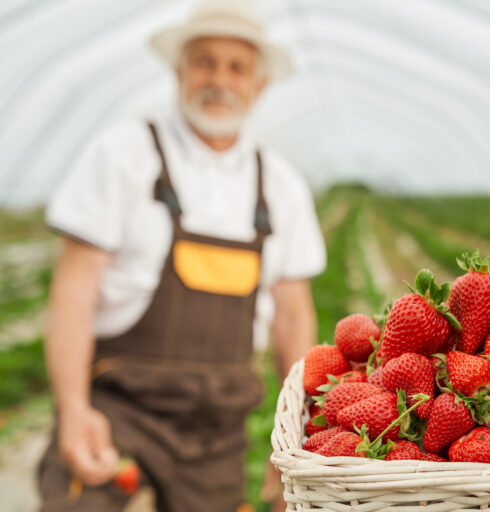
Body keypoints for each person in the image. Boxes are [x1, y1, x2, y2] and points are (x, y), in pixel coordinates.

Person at [36, 2, 325, 511]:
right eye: (204, 62)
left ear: (258, 85)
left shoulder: (281, 186)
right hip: (120, 407)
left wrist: (300, 433)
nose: (219, 79)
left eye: (237, 67)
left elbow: (293, 313)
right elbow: (74, 292)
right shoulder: (123, 155)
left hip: (218, 427)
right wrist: (74, 409)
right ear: (179, 72)